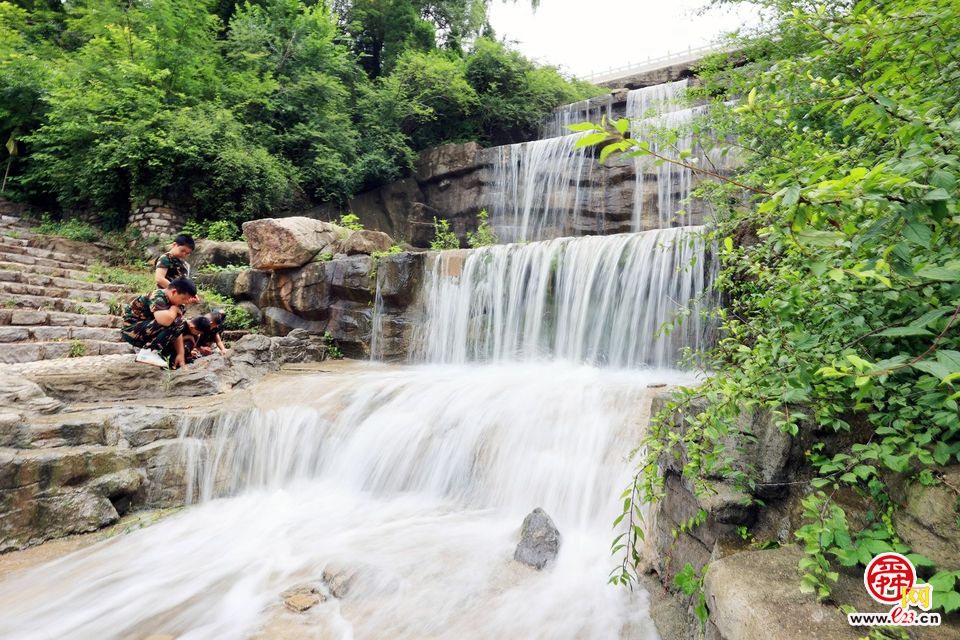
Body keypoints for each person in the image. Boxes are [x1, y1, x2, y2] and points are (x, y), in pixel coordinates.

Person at [121, 277, 198, 369]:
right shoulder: (158, 295)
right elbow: (165, 321)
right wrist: (174, 309)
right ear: (174, 292)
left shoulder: (178, 304)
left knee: (180, 324)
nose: (186, 302)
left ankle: (162, 355)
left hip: (149, 330)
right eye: (184, 299)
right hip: (131, 330)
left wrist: (180, 354)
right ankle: (148, 352)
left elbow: (177, 330)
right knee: (176, 321)